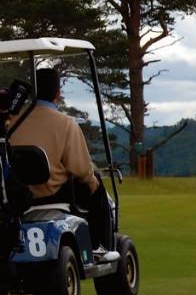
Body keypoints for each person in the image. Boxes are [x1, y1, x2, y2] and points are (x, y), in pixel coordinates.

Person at [10, 68, 117, 261]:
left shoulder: (13, 123)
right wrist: (92, 182)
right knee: (96, 186)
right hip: (53, 193)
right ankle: (99, 246)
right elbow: (81, 169)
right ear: (58, 93)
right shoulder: (65, 123)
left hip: (18, 195)